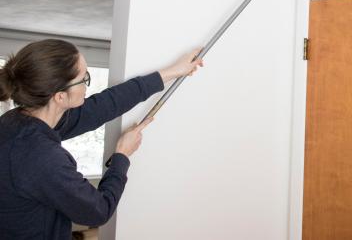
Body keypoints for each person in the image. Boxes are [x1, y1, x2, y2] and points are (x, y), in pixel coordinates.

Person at [0, 39, 203, 239]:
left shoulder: (16, 122)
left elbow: (103, 106)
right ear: (60, 96)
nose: (86, 85)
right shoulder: (42, 157)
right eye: (83, 79)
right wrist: (122, 155)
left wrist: (173, 71)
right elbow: (98, 211)